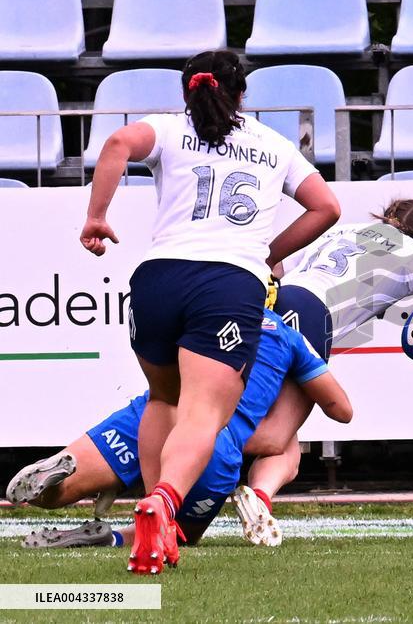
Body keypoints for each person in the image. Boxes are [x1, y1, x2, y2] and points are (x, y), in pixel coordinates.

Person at [78, 50, 341, 575]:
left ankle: (156, 511)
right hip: (227, 282)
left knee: (163, 398)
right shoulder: (272, 144)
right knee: (203, 412)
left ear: (187, 92)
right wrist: (267, 255)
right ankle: (166, 503)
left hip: (156, 276)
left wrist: (96, 217)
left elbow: (116, 144)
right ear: (243, 95)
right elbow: (327, 207)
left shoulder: (171, 130)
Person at [225, 200, 413, 521]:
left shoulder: (345, 231)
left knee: (284, 443)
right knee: (276, 435)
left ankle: (260, 498)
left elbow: (274, 267)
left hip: (272, 306)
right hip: (310, 319)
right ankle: (196, 440)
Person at [7, 310, 352, 549]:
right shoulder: (291, 338)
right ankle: (114, 538)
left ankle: (53, 474)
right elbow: (341, 410)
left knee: (56, 496)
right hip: (211, 439)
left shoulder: (201, 309)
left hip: (149, 413)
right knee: (178, 534)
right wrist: (297, 384)